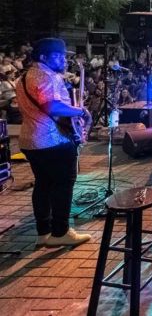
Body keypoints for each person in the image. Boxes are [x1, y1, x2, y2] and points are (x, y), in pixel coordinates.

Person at [15, 38, 92, 247]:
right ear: (43, 57)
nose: (63, 60)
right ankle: (61, 232)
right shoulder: (47, 76)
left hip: (30, 140)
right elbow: (52, 107)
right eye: (58, 56)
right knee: (63, 185)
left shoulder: (24, 78)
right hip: (52, 141)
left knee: (43, 184)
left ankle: (43, 232)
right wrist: (80, 111)